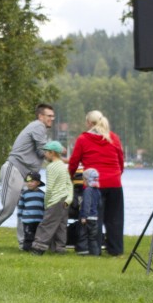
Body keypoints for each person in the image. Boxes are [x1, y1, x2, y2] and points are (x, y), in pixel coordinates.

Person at [0, 103, 55, 250]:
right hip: (14, 169)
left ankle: (24, 243)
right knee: (8, 208)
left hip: (26, 175)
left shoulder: (40, 130)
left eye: (53, 116)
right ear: (40, 116)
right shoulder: (38, 126)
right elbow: (45, 150)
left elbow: (40, 152)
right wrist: (61, 158)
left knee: (23, 210)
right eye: (49, 116)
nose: (52, 118)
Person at [66, 110, 126, 256]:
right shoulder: (113, 138)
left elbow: (74, 161)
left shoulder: (83, 139)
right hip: (114, 183)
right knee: (115, 220)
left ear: (88, 123)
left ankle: (95, 250)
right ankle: (116, 251)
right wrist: (116, 175)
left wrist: (71, 176)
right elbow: (120, 161)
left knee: (94, 219)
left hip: (93, 185)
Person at [30, 141, 73, 255]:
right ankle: (59, 248)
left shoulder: (51, 167)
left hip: (55, 199)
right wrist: (69, 199)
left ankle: (38, 248)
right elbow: (69, 184)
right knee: (61, 225)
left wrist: (46, 202)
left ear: (52, 153)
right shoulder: (63, 166)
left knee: (47, 223)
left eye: (46, 152)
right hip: (64, 199)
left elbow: (49, 188)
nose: (44, 154)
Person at [16, 171, 46, 252]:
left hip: (38, 220)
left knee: (37, 235)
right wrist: (20, 215)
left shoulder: (42, 194)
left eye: (32, 181)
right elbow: (21, 206)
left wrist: (45, 217)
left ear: (38, 183)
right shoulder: (24, 194)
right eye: (28, 181)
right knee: (28, 235)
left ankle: (36, 248)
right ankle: (26, 248)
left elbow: (44, 207)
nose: (29, 183)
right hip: (27, 220)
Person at [80, 168, 102, 256]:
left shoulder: (87, 190)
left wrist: (84, 216)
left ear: (87, 180)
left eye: (84, 179)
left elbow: (87, 204)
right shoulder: (97, 191)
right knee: (92, 237)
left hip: (88, 217)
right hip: (95, 217)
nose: (83, 181)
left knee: (84, 235)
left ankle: (84, 252)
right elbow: (99, 204)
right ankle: (95, 253)